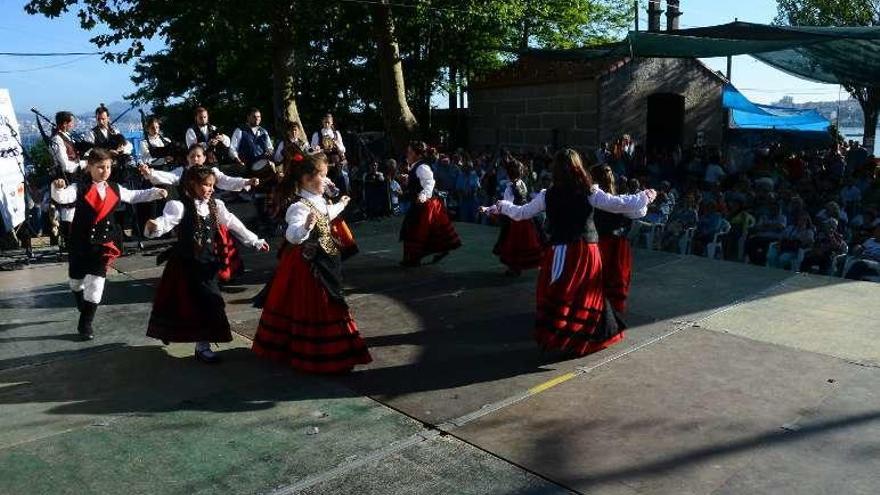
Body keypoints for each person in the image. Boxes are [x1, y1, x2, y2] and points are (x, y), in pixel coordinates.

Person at [482, 149, 655, 357]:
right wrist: (646, 195)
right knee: (581, 294)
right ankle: (577, 337)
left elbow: (521, 213)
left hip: (563, 251)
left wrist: (499, 207)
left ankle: (562, 337)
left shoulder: (550, 195)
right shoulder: (588, 192)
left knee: (562, 293)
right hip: (587, 251)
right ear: (578, 168)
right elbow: (619, 204)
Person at [251, 152, 372, 373]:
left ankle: (332, 351)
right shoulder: (299, 207)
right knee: (320, 306)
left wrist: (341, 204)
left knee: (331, 301)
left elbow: (327, 213)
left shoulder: (318, 199)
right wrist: (306, 226)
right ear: (306, 179)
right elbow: (293, 236)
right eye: (322, 176)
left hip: (327, 261)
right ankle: (319, 355)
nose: (327, 180)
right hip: (311, 267)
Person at [144, 165, 269, 363]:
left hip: (207, 264)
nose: (210, 189)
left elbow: (233, 223)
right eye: (205, 185)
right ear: (192, 184)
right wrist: (155, 226)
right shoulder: (180, 206)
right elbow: (165, 222)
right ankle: (198, 344)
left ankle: (202, 345)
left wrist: (254, 240)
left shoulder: (216, 205)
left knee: (211, 302)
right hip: (186, 265)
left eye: (212, 185)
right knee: (187, 304)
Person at [50, 148, 167, 340]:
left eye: (108, 167)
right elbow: (61, 197)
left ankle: (85, 323)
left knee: (96, 284)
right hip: (80, 244)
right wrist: (57, 187)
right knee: (76, 281)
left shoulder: (115, 188)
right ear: (89, 167)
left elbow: (134, 196)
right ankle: (80, 298)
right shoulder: (79, 187)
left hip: (103, 244)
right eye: (100, 167)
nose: (105, 171)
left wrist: (155, 192)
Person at [139, 144, 258, 282]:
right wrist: (150, 173)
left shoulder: (213, 191)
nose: (195, 159)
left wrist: (246, 182)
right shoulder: (181, 176)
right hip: (189, 217)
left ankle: (219, 274)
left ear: (204, 158)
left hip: (208, 221)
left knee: (214, 248)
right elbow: (167, 177)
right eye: (192, 156)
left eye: (198, 156)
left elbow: (227, 183)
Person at [399, 141, 462, 267]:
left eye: (410, 152)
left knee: (417, 230)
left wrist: (423, 195)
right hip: (420, 203)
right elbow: (418, 183)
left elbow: (430, 182)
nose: (407, 154)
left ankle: (413, 259)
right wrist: (407, 181)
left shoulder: (422, 167)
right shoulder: (415, 166)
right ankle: (414, 258)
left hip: (426, 204)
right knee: (416, 230)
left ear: (417, 154)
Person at [591, 165, 636, 313]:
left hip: (606, 242)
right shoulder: (611, 197)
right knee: (612, 277)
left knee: (603, 278)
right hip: (611, 242)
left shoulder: (601, 197)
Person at [490, 160, 544, 276]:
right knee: (524, 242)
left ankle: (514, 268)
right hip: (525, 215)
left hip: (515, 217)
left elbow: (508, 203)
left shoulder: (510, 187)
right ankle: (516, 267)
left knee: (513, 242)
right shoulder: (522, 183)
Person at [49, 111, 87, 248]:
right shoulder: (57, 139)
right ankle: (68, 241)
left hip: (74, 176)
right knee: (67, 209)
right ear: (65, 124)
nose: (73, 124)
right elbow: (65, 165)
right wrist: (83, 164)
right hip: (65, 177)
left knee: (75, 208)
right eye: (71, 122)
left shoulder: (66, 137)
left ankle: (74, 239)